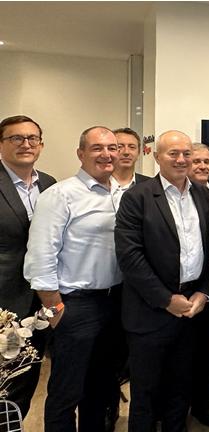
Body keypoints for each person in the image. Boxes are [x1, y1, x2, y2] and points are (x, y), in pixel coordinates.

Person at [115, 130, 209, 432]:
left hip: (192, 309)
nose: (181, 159)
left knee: (181, 387)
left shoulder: (203, 195)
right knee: (146, 393)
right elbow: (130, 257)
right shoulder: (137, 197)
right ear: (157, 157)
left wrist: (204, 293)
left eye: (186, 153)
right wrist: (166, 299)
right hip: (150, 312)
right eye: (173, 153)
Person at [24, 126, 121, 431]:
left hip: (115, 302)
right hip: (75, 306)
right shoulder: (60, 195)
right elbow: (40, 257)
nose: (106, 154)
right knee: (67, 390)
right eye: (97, 148)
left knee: (101, 386)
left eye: (112, 148)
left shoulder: (122, 194)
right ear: (81, 153)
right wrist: (56, 310)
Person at [0, 115, 55, 418]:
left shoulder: (49, 184)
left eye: (32, 138)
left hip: (40, 300)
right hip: (4, 299)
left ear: (41, 145)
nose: (26, 144)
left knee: (27, 372)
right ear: (1, 144)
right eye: (16, 138)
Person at [106, 126, 150, 432]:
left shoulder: (150, 186)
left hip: (141, 287)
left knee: (139, 360)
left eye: (130, 146)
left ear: (139, 152)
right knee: (106, 356)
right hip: (105, 286)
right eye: (117, 146)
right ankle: (107, 411)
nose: (124, 151)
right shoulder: (95, 184)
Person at [185, 141, 209, 427]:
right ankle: (174, 409)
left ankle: (201, 405)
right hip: (182, 290)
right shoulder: (176, 195)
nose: (202, 166)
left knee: (208, 353)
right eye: (196, 161)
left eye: (206, 161)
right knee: (179, 355)